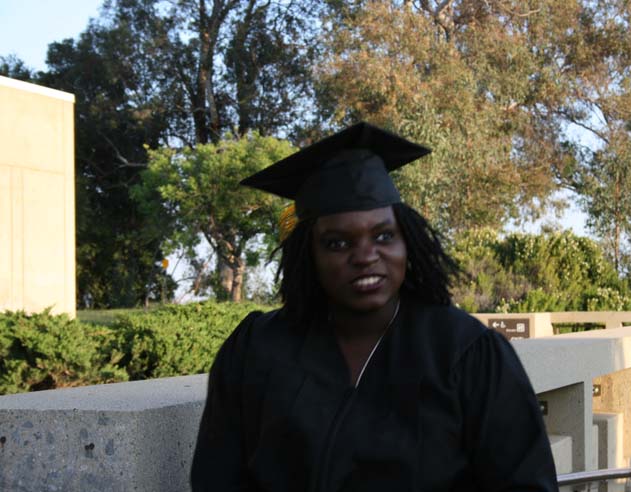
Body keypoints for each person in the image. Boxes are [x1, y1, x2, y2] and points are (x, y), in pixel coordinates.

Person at [190, 122, 558, 491]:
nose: (366, 256)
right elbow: (217, 480)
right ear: (309, 255)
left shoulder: (467, 353)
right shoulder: (257, 350)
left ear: (407, 242)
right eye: (337, 243)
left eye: (384, 236)